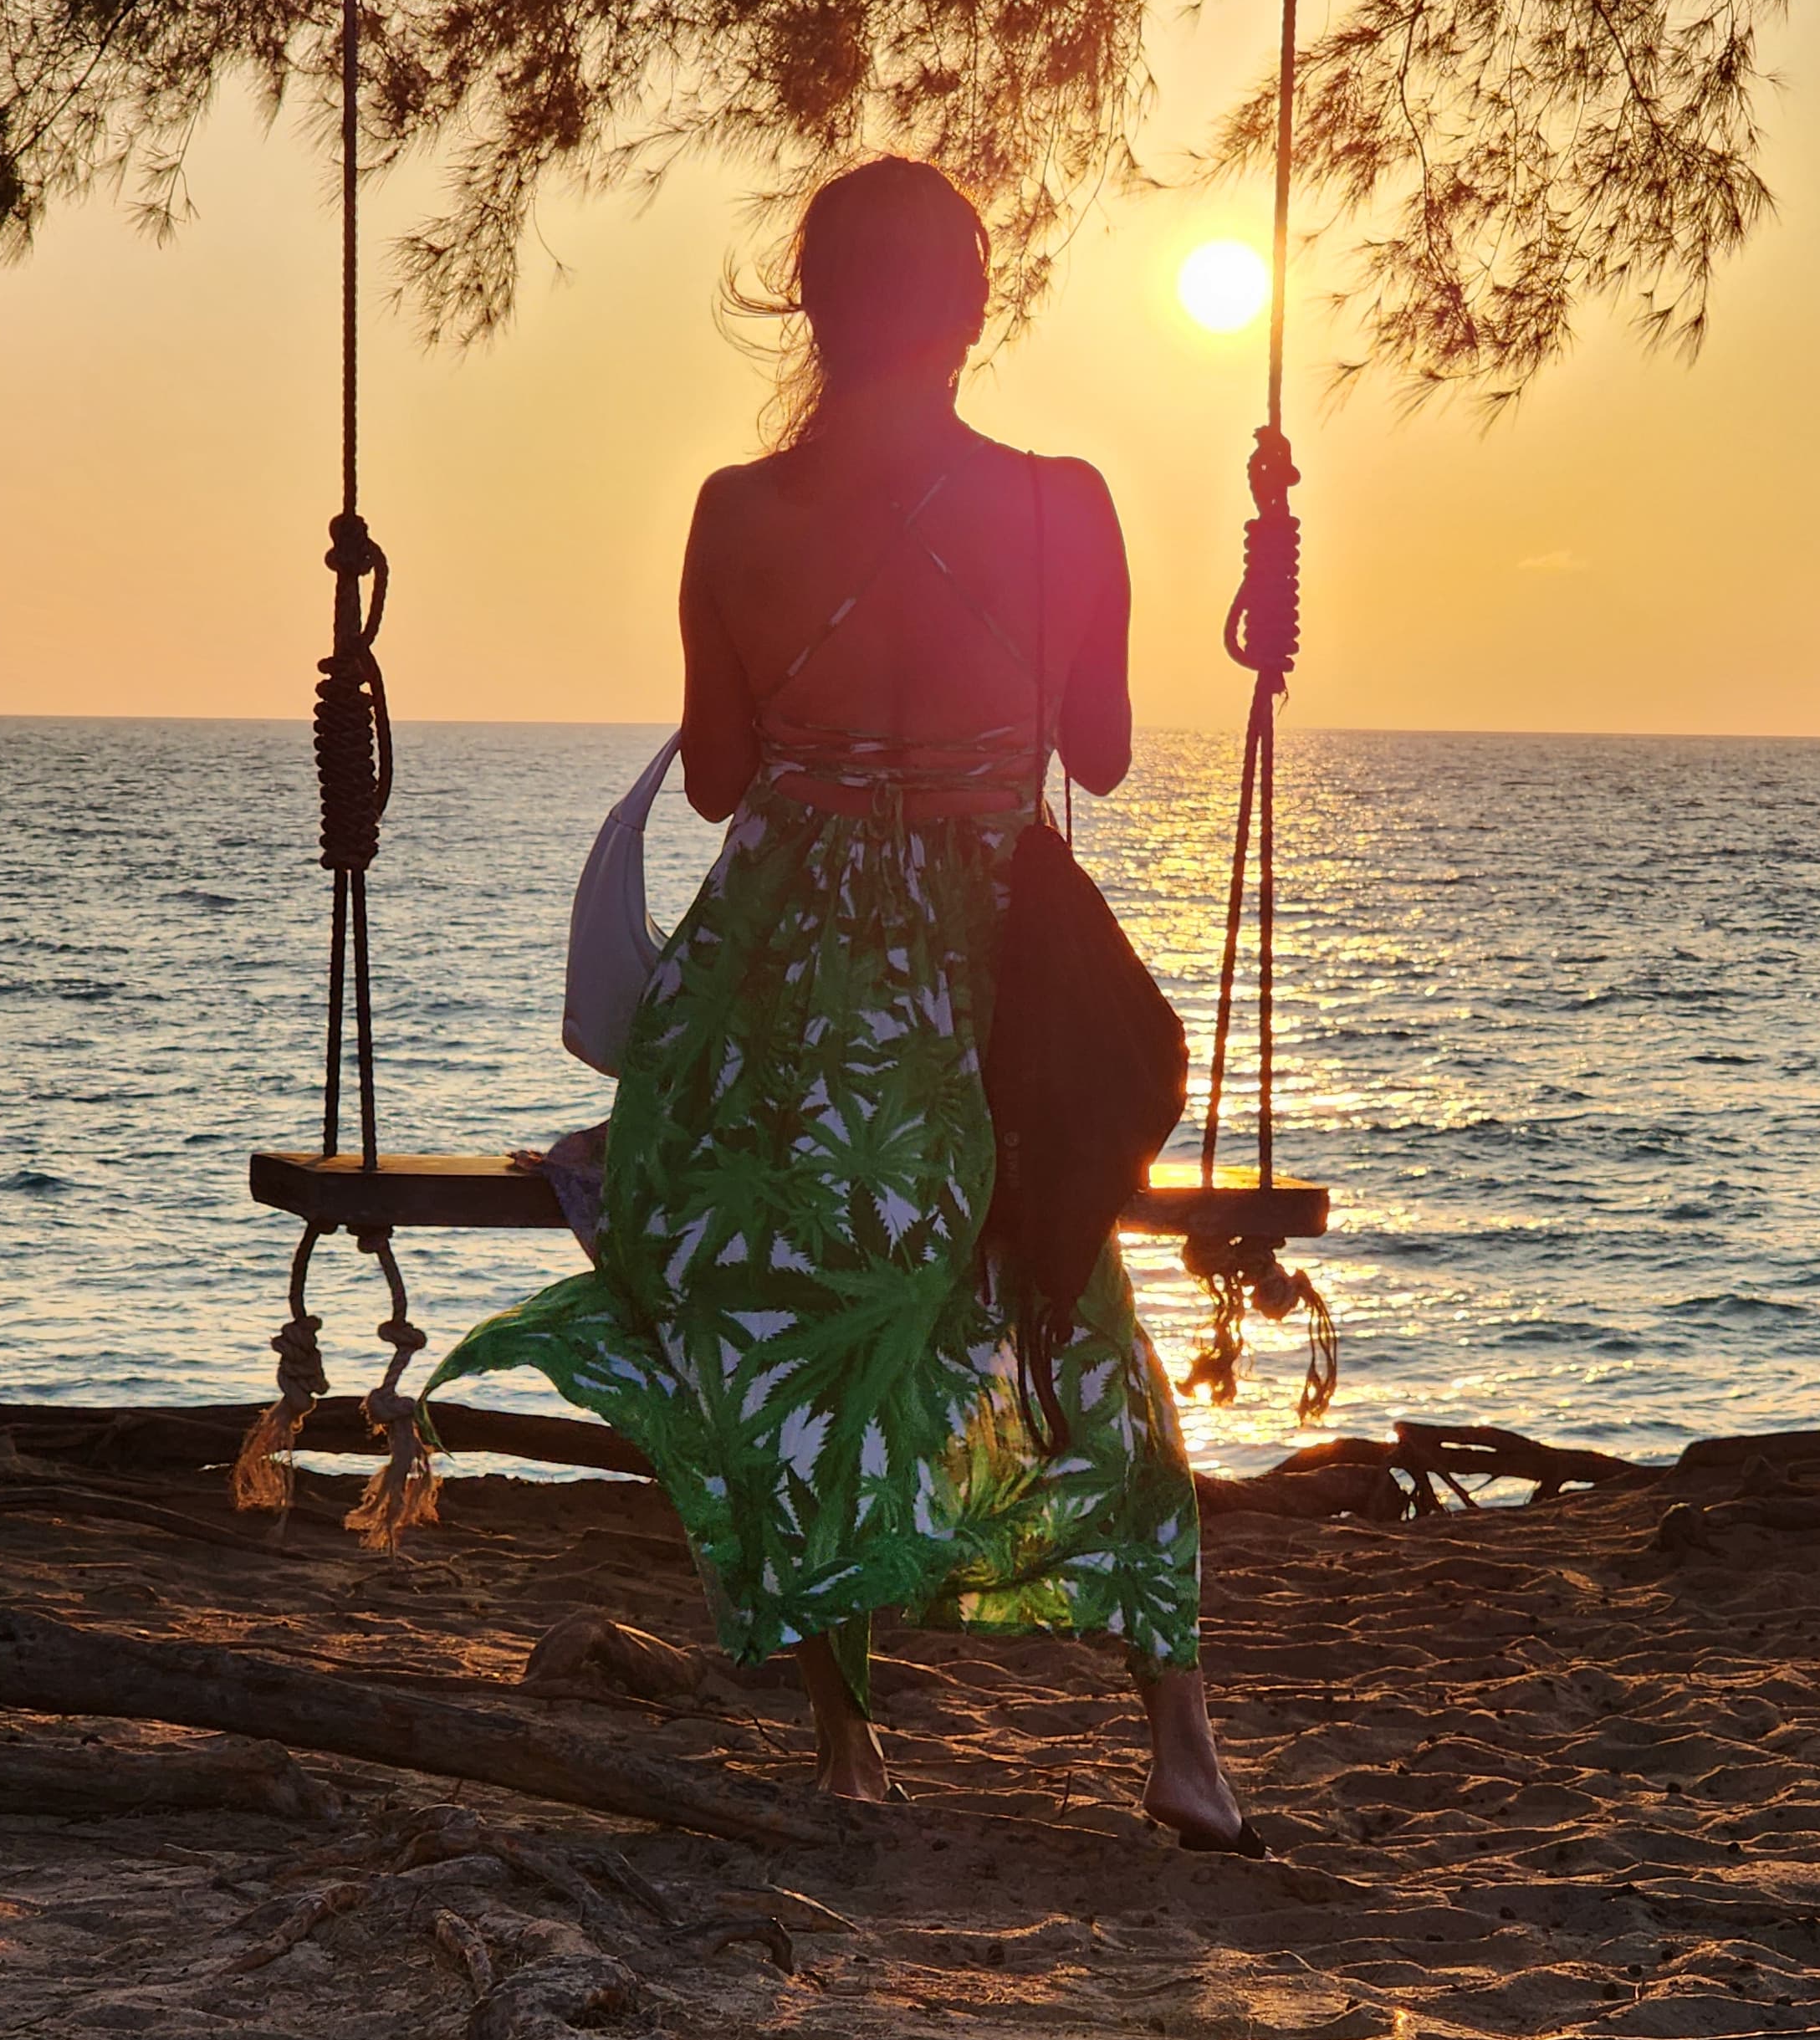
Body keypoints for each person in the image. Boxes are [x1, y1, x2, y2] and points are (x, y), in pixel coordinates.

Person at [429, 156, 1257, 1848]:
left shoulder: (738, 513)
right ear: (969, 308)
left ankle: (848, 1742)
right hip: (977, 972)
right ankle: (1179, 1739)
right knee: (1059, 1290)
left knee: (786, 1319)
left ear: (809, 302)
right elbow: (1094, 750)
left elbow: (725, 778)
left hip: (790, 978)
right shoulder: (1062, 501)